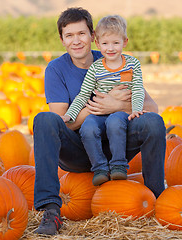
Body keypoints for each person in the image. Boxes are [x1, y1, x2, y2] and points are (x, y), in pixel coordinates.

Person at [33, 7, 166, 236]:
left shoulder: (113, 59)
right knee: (44, 120)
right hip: (78, 149)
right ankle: (51, 210)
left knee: (153, 122)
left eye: (81, 34)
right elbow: (61, 121)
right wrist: (94, 108)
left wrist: (117, 106)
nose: (76, 41)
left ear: (92, 36)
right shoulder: (56, 69)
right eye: (70, 35)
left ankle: (158, 199)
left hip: (117, 147)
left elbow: (152, 107)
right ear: (62, 40)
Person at [61, 15, 146, 186]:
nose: (111, 48)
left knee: (115, 123)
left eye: (116, 43)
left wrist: (136, 108)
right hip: (98, 113)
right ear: (98, 44)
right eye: (105, 44)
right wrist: (69, 115)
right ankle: (99, 167)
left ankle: (118, 165)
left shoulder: (132, 64)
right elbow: (83, 95)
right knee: (88, 127)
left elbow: (137, 89)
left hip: (118, 112)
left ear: (125, 42)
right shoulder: (96, 68)